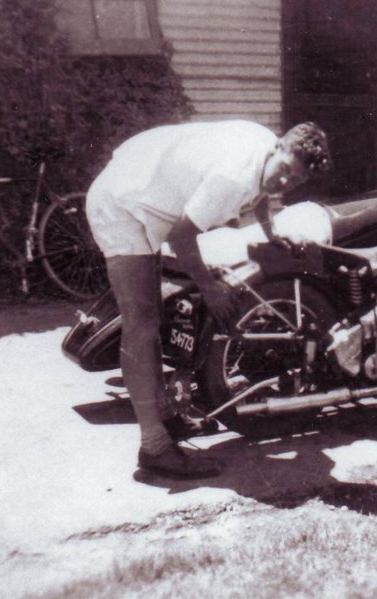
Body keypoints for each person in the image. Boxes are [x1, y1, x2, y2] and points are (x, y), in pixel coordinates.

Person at [85, 120, 330, 479]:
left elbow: (262, 193)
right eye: (284, 172)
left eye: (294, 182)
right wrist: (209, 286)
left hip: (140, 188)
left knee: (151, 320)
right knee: (142, 322)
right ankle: (154, 448)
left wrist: (271, 233)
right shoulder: (232, 177)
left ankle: (166, 419)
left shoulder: (264, 146)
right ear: (278, 148)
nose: (283, 184)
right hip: (122, 205)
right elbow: (182, 237)